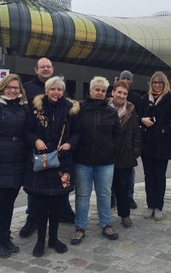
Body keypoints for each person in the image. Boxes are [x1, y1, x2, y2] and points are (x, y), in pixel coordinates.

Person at [24, 76, 80, 257]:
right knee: (41, 204)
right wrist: (36, 140)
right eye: (53, 89)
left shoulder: (70, 109)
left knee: (57, 204)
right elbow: (27, 130)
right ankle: (40, 240)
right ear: (46, 90)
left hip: (62, 162)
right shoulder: (36, 108)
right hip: (42, 161)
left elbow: (77, 132)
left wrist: (70, 144)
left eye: (59, 89)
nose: (56, 92)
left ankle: (53, 238)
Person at [0, 74, 29, 258]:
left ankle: (5, 236)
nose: (13, 91)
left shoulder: (22, 107)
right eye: (9, 87)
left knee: (9, 203)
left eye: (16, 88)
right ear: (2, 88)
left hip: (17, 164)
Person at [71, 76, 122, 245]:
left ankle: (106, 224)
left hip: (105, 161)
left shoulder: (111, 112)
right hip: (83, 160)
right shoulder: (80, 109)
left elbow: (117, 134)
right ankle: (80, 227)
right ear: (90, 90)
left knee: (105, 194)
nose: (100, 93)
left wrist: (112, 149)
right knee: (82, 195)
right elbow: (72, 130)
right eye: (97, 90)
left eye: (103, 91)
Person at [140, 71, 171, 220]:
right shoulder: (144, 99)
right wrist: (142, 120)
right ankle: (150, 205)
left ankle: (159, 206)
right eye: (154, 82)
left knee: (159, 176)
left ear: (164, 84)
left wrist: (164, 129)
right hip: (147, 143)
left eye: (159, 83)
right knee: (148, 176)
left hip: (162, 143)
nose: (156, 85)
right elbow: (138, 116)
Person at [108, 80, 141, 227]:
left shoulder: (131, 110)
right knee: (105, 188)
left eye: (124, 93)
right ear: (113, 92)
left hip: (125, 155)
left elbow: (136, 132)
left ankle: (124, 215)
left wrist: (135, 151)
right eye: (119, 92)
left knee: (122, 187)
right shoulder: (105, 108)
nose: (121, 96)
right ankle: (105, 217)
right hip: (107, 154)